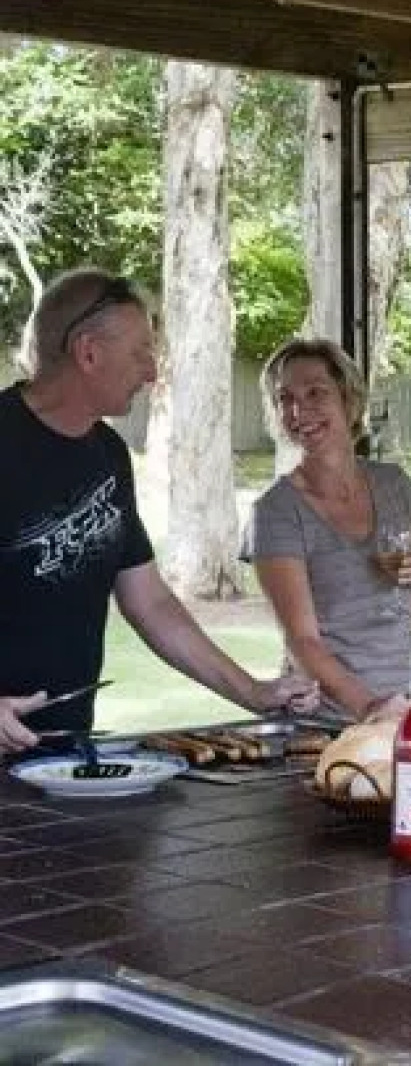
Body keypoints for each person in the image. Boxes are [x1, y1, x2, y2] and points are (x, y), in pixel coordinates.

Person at [0, 269, 316, 753]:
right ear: (88, 353)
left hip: (59, 755)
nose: (151, 372)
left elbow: (149, 602)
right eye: (140, 352)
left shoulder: (106, 454)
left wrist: (251, 692)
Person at [243, 339, 411, 721]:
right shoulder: (276, 511)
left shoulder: (394, 486)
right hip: (326, 719)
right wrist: (370, 708)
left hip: (407, 705)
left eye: (316, 393)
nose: (299, 411)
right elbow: (302, 641)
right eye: (286, 399)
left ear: (349, 400)